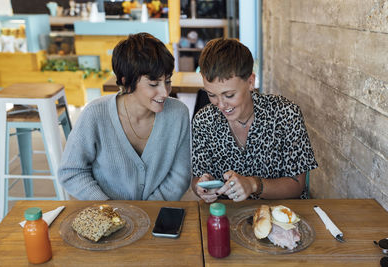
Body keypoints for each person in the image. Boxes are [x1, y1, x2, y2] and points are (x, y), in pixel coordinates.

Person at [58, 32, 191, 201]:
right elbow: (71, 172)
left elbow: (180, 176)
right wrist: (109, 210)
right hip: (105, 218)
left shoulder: (178, 114)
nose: (164, 92)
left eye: (168, 81)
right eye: (153, 84)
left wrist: (149, 211)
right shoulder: (95, 114)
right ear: (127, 81)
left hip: (159, 215)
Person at [191, 38, 318, 203]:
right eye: (211, 95)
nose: (220, 105)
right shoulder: (203, 121)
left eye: (229, 95)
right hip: (226, 215)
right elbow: (197, 180)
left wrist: (253, 184)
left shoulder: (285, 113)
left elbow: (296, 185)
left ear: (250, 82)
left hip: (281, 216)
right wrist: (202, 187)